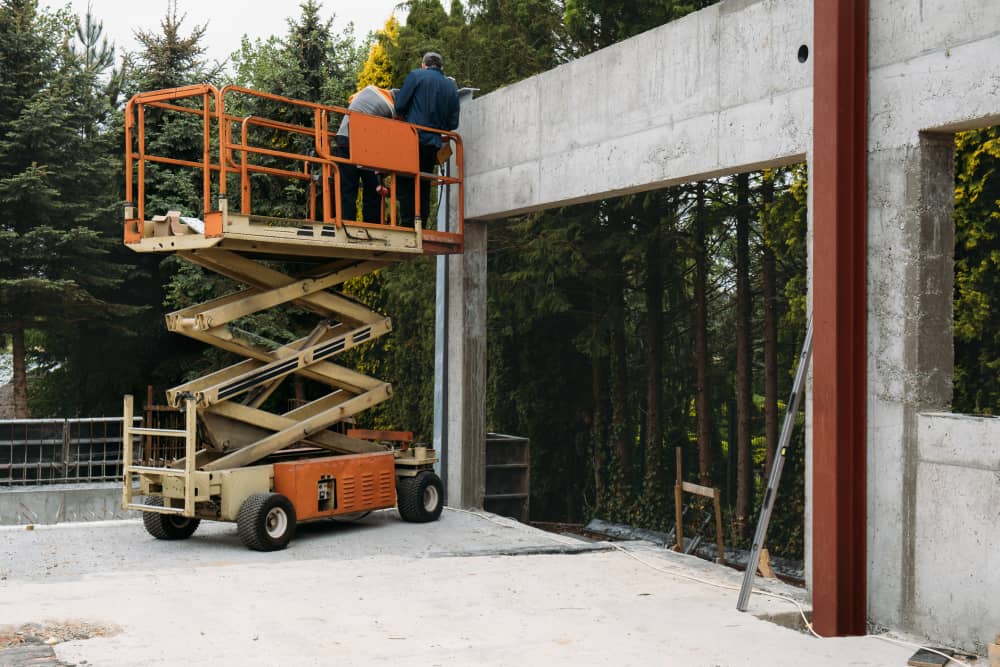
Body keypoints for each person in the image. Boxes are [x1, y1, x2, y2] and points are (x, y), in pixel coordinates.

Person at [393, 52, 460, 227]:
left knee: (405, 181)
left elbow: (399, 106)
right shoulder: (450, 86)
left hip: (412, 139)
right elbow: (453, 122)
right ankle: (419, 224)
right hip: (432, 144)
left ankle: (407, 224)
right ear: (441, 67)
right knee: (423, 184)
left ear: (424, 64)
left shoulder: (416, 75)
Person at [334, 85, 395, 223]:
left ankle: (345, 223)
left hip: (343, 138)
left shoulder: (368, 91)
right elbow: (393, 134)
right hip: (362, 143)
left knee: (347, 188)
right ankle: (372, 226)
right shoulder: (390, 105)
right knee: (373, 189)